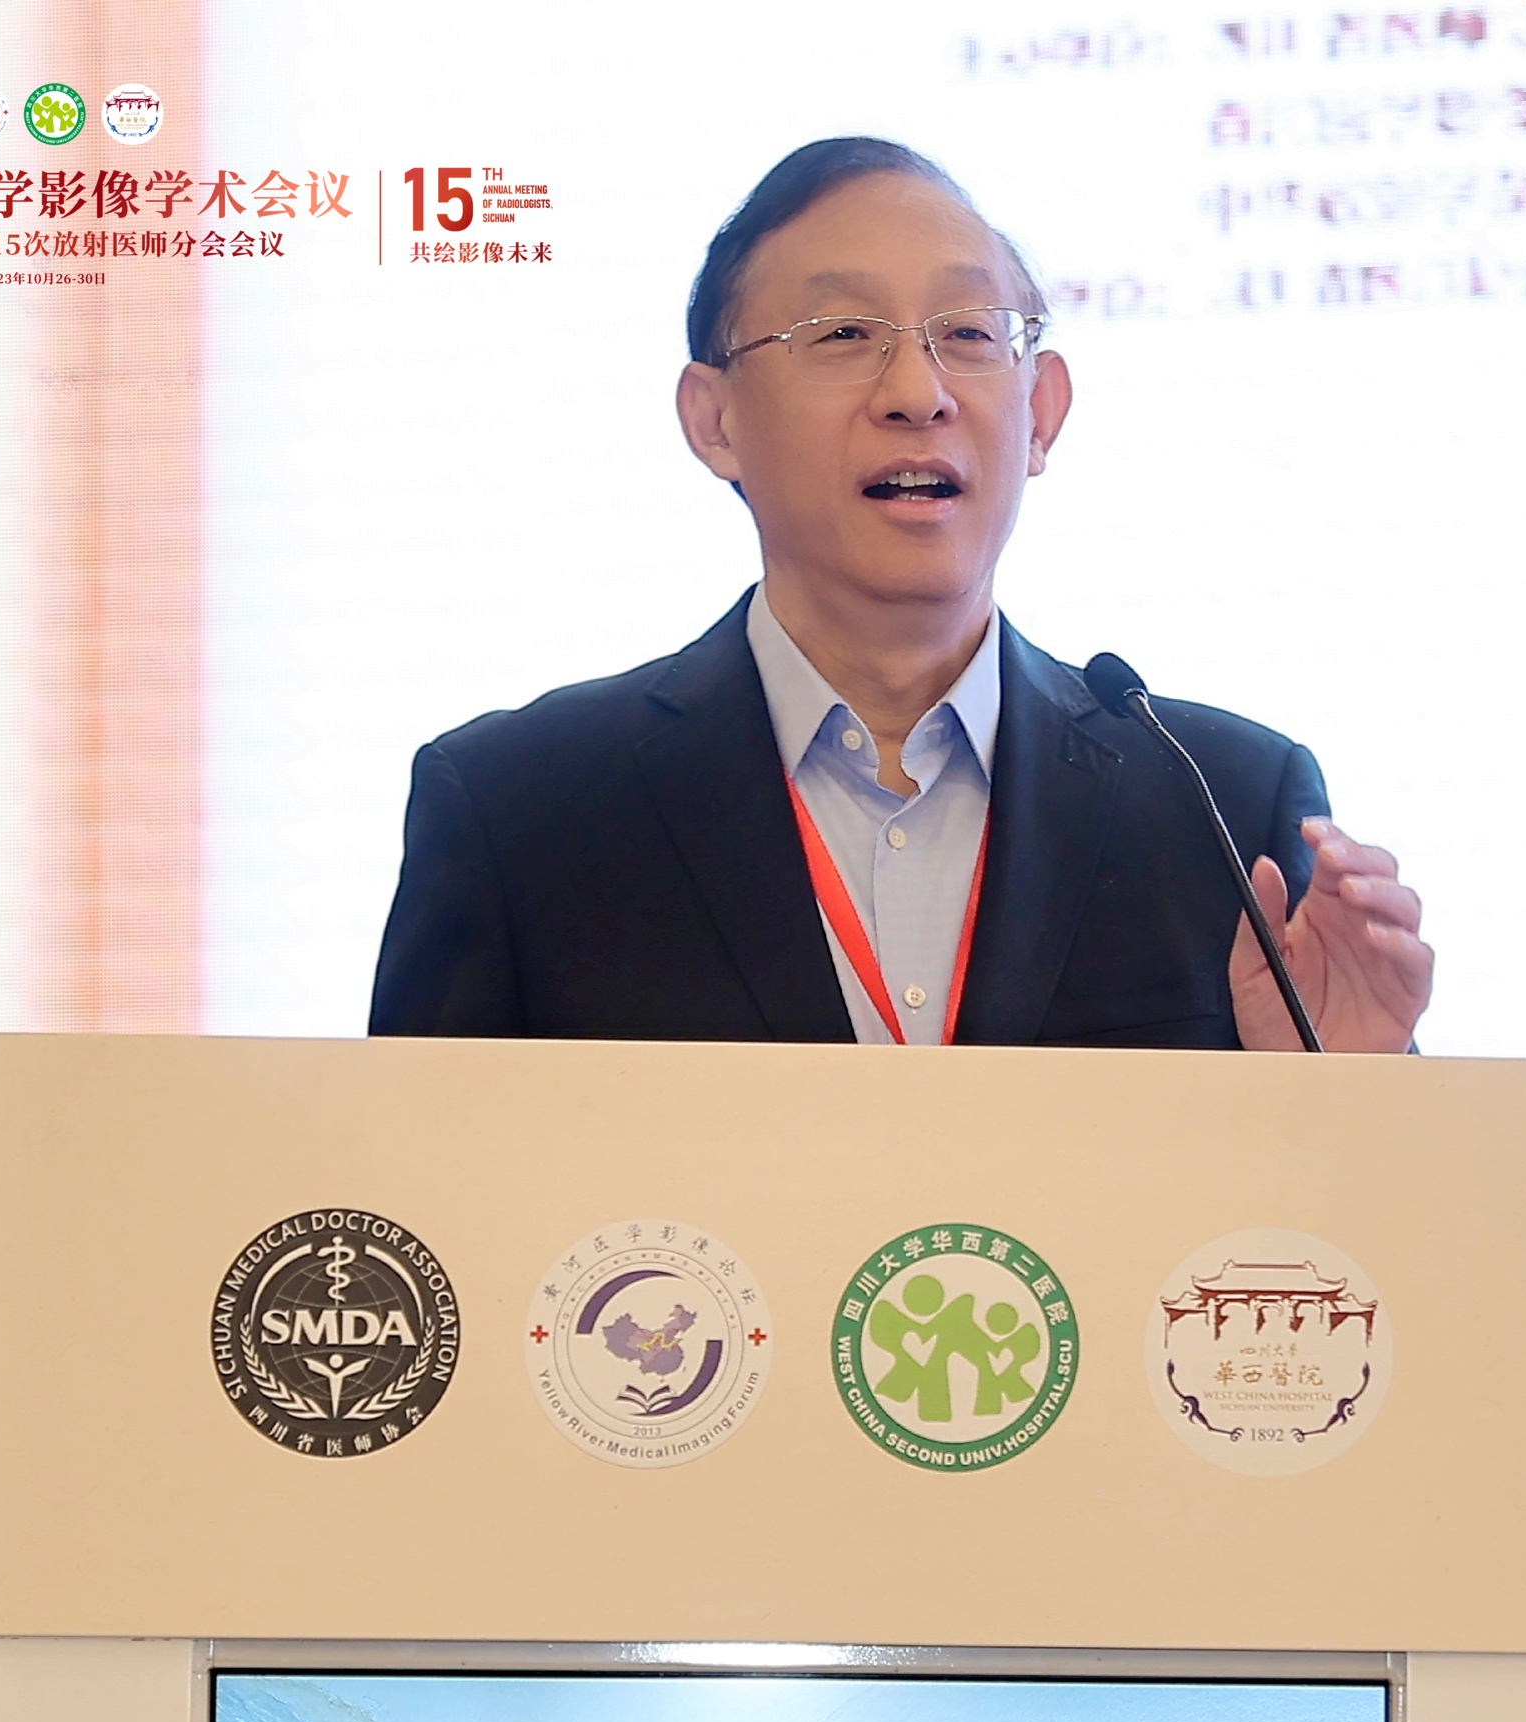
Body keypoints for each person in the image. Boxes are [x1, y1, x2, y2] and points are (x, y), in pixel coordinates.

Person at [367, 136, 1432, 1051]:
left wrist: (1355, 1094)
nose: (919, 395)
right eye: (843, 335)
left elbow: (1335, 1212)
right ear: (714, 420)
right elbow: (414, 1200)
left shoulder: (1222, 807)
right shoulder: (523, 814)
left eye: (968, 335)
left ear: (1042, 412)